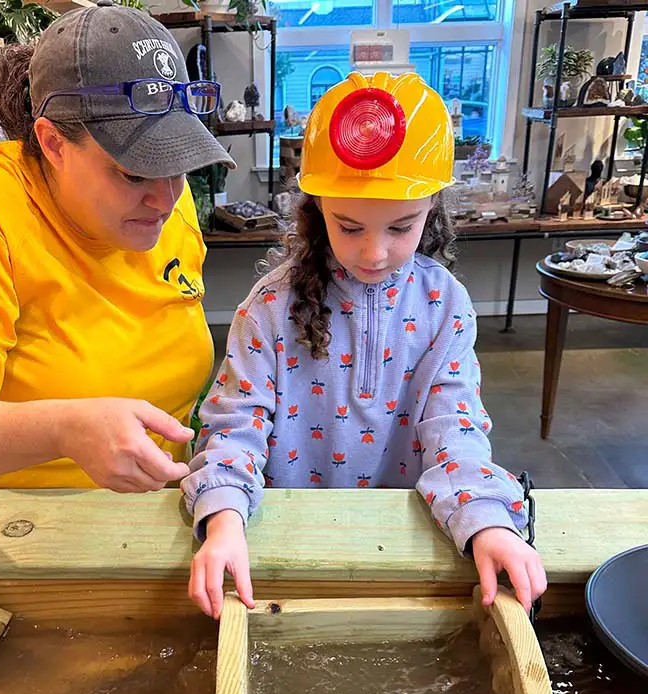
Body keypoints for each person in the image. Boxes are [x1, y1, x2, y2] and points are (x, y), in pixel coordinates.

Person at [182, 72, 547, 619]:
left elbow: (454, 423)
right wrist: (224, 517)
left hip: (405, 548)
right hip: (279, 545)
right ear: (316, 207)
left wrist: (488, 520)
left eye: (401, 227)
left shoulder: (445, 303)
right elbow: (236, 424)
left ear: (433, 210)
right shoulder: (270, 306)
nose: (374, 252)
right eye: (349, 226)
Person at [0, 1, 235, 491]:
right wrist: (66, 428)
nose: (165, 196)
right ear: (53, 143)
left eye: (178, 163)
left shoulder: (166, 207)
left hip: (157, 516)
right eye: (133, 172)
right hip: (19, 537)